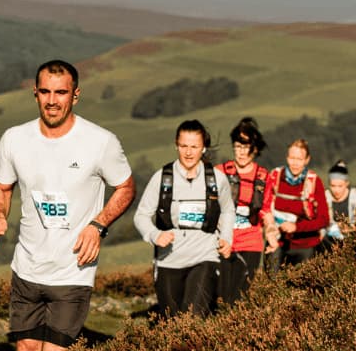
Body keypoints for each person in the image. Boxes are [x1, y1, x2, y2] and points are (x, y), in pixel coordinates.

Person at [0, 60, 134, 351]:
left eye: (61, 92)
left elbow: (125, 187)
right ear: (35, 94)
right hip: (27, 268)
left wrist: (98, 226)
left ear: (75, 96)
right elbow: (1, 188)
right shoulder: (15, 139)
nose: (53, 100)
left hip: (72, 269)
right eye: (46, 92)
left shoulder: (100, 142)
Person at [134, 120, 234, 317]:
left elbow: (228, 210)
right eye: (184, 146)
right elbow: (141, 215)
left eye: (194, 147)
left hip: (204, 256)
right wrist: (154, 234)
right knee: (172, 323)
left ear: (203, 148)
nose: (188, 152)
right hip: (168, 261)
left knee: (193, 317)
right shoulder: (162, 178)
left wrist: (226, 237)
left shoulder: (216, 179)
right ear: (176, 145)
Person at [214, 117, 268, 306]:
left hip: (251, 242)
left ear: (255, 148)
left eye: (246, 147)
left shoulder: (263, 177)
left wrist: (272, 235)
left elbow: (267, 210)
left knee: (240, 296)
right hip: (224, 241)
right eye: (238, 146)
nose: (241, 152)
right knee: (221, 293)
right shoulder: (220, 172)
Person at [261, 139, 329, 269]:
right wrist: (270, 228)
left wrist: (296, 227)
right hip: (277, 242)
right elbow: (266, 207)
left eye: (299, 159)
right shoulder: (275, 177)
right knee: (271, 285)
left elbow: (323, 220)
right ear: (287, 158)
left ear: (307, 160)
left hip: (306, 247)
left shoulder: (314, 182)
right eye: (292, 158)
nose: (295, 163)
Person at [320, 159, 356, 252]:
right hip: (328, 243)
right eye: (333, 186)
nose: (336, 190)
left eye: (340, 186)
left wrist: (348, 228)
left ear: (347, 183)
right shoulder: (324, 198)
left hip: (353, 241)